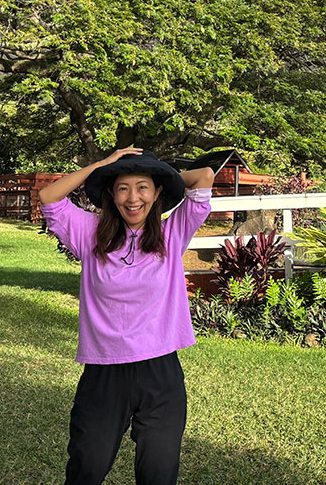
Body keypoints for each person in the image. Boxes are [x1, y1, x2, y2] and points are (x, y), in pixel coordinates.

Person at [38, 147, 215, 485]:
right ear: (110, 194)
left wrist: (159, 173)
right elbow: (49, 196)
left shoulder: (171, 233)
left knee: (158, 475)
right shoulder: (90, 233)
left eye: (143, 187)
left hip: (160, 372)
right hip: (104, 373)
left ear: (158, 192)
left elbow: (203, 177)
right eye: (122, 188)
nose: (132, 198)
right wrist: (103, 165)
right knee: (86, 468)